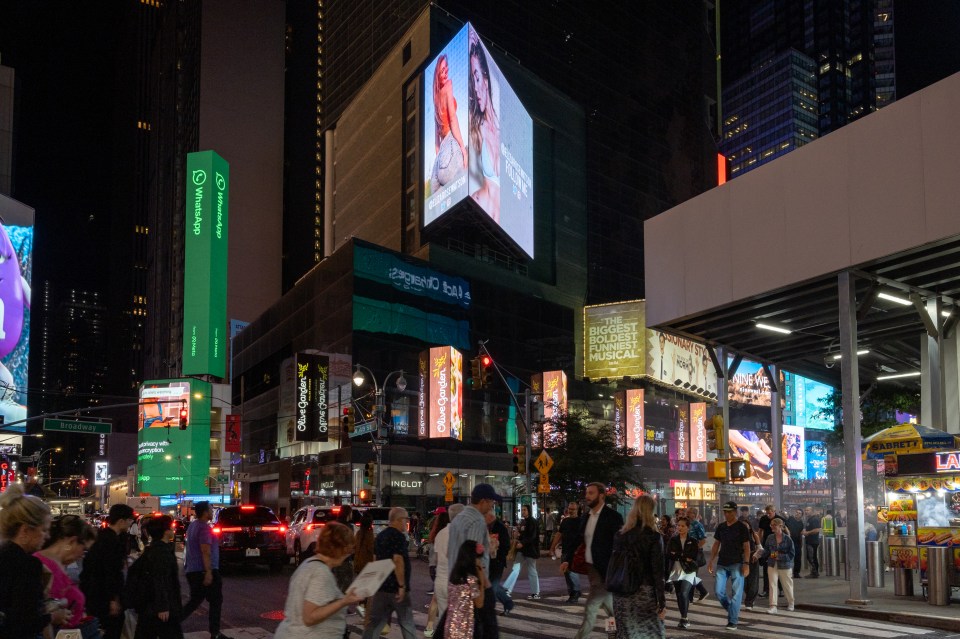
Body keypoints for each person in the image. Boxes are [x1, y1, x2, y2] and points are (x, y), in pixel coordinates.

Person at [0, 483, 67, 639]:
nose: (47, 536)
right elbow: (23, 622)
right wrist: (52, 617)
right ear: (25, 530)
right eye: (44, 529)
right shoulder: (27, 564)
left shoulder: (4, 555)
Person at [275, 522, 362, 639]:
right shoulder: (320, 573)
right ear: (339, 549)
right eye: (349, 551)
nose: (348, 555)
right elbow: (309, 617)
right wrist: (343, 601)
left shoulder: (308, 564)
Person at [560, 482, 624, 639]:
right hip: (592, 569)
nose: (587, 496)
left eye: (591, 493)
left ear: (601, 495)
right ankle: (614, 634)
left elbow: (620, 545)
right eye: (587, 493)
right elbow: (578, 539)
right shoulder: (586, 516)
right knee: (610, 609)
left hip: (606, 571)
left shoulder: (613, 517)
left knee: (591, 607)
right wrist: (567, 559)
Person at [446, 484, 501, 639]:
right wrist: (484, 585)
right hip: (474, 585)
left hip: (455, 582)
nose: (492, 506)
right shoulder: (476, 521)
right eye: (491, 502)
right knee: (484, 628)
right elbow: (474, 556)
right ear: (483, 501)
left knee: (457, 625)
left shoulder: (459, 519)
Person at [611, 495, 666, 639]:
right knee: (650, 633)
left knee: (625, 633)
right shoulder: (654, 537)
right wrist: (661, 601)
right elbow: (657, 571)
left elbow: (614, 563)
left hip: (621, 591)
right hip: (643, 591)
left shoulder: (619, 535)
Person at [361, 507, 416, 639]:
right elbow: (398, 560)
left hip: (382, 587)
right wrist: (402, 586)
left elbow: (375, 560)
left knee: (375, 622)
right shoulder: (398, 536)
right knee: (406, 622)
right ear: (398, 520)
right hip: (396, 588)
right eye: (405, 519)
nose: (406, 522)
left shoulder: (380, 536)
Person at [81, 503, 134, 639]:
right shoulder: (111, 542)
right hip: (104, 598)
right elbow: (111, 572)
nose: (131, 523)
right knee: (111, 631)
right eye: (130, 520)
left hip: (95, 596)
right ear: (121, 521)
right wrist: (113, 599)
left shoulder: (102, 537)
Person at [35, 514, 97, 630]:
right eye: (83, 549)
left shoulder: (60, 565)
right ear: (72, 541)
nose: (82, 555)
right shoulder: (43, 566)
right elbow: (42, 613)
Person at [181, 501, 228, 639]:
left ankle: (172, 623)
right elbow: (205, 550)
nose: (212, 511)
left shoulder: (192, 526)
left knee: (194, 601)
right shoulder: (204, 528)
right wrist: (208, 572)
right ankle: (215, 633)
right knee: (216, 601)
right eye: (210, 509)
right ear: (205, 512)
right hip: (204, 571)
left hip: (192, 571)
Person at [467, 33, 501, 223]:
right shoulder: (476, 129)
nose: (476, 89)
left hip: (501, 220)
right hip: (482, 213)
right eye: (473, 81)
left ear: (486, 80)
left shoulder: (502, 133)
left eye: (478, 78)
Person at [135, 514, 184, 639]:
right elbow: (160, 578)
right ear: (165, 531)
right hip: (161, 607)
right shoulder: (161, 552)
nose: (173, 530)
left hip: (151, 605)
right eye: (170, 528)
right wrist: (163, 606)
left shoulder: (153, 549)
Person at [707, 501, 751, 631]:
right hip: (722, 563)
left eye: (729, 512)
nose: (726, 514)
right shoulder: (721, 527)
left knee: (736, 593)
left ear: (735, 512)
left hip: (737, 563)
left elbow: (747, 546)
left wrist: (746, 563)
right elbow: (716, 544)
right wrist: (711, 560)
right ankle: (732, 611)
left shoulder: (742, 527)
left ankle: (733, 621)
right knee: (718, 591)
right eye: (725, 512)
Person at [429, 54, 467, 194]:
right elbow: (453, 119)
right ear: (437, 75)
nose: (445, 73)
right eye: (442, 71)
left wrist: (439, 161)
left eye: (446, 69)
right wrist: (463, 149)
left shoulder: (435, 99)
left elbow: (436, 141)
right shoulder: (448, 86)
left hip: (439, 165)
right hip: (451, 145)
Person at [443, 540, 488, 639]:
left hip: (450, 624)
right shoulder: (471, 579)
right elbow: (480, 603)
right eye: (478, 558)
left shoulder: (454, 575)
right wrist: (481, 574)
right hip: (463, 627)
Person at [430, 503, 464, 634]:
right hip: (456, 581)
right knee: (459, 620)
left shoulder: (441, 534)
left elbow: (438, 559)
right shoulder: (462, 534)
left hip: (441, 580)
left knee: (444, 618)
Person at [666, 517, 701, 629]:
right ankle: (683, 617)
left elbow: (694, 556)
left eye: (682, 526)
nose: (680, 528)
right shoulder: (673, 540)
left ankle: (684, 618)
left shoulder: (693, 541)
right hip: (676, 570)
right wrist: (683, 556)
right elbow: (668, 554)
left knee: (684, 593)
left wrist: (678, 554)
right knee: (679, 594)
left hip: (689, 570)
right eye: (678, 525)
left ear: (688, 527)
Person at [424, 508, 451, 637]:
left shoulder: (435, 532)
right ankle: (437, 629)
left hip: (434, 567)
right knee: (438, 600)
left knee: (436, 599)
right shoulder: (447, 533)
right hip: (441, 569)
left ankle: (429, 627)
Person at [759, 517, 795, 614]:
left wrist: (781, 557)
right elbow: (766, 550)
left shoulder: (787, 539)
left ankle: (791, 602)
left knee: (787, 584)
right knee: (772, 584)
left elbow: (792, 554)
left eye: (774, 525)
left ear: (780, 526)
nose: (772, 527)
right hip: (772, 563)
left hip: (785, 565)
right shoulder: (770, 537)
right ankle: (773, 606)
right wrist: (759, 553)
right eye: (771, 525)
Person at [550, 502, 582, 603]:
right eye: (569, 509)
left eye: (573, 509)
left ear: (577, 510)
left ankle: (575, 592)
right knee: (566, 572)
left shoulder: (581, 521)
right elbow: (559, 534)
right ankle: (572, 592)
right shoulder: (565, 521)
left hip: (575, 551)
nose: (571, 511)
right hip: (565, 550)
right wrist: (552, 547)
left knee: (572, 572)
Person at [485, 510, 513, 615]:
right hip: (488, 561)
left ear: (491, 516)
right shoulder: (485, 527)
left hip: (497, 561)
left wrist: (498, 550)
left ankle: (503, 604)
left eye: (485, 515)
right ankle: (507, 603)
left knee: (493, 585)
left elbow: (506, 545)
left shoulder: (500, 528)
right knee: (492, 585)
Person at [514, 505, 540, 599]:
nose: (523, 512)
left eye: (525, 510)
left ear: (529, 511)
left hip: (530, 550)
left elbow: (532, 536)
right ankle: (507, 589)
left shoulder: (532, 521)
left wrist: (522, 542)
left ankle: (535, 592)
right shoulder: (523, 522)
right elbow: (524, 535)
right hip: (524, 549)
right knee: (516, 568)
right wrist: (518, 536)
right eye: (522, 510)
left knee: (531, 570)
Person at [353, 513, 375, 623]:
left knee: (362, 588)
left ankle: (361, 607)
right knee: (368, 590)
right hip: (367, 564)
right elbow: (371, 549)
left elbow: (354, 547)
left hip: (358, 563)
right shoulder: (369, 534)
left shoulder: (358, 533)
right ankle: (365, 612)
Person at [685, 508, 708, 601]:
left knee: (691, 574)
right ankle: (702, 591)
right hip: (686, 552)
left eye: (689, 513)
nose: (687, 514)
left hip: (694, 553)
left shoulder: (697, 525)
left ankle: (690, 598)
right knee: (689, 574)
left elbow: (703, 539)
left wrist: (695, 548)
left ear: (694, 514)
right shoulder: (687, 524)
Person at [801, 507, 821, 578]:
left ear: (812, 511)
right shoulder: (809, 519)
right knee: (810, 557)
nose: (806, 512)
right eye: (805, 510)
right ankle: (814, 572)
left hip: (813, 542)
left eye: (808, 510)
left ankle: (814, 573)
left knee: (812, 557)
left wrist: (808, 532)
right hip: (809, 541)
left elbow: (817, 530)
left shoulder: (814, 519)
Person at [785, 509, 805, 579]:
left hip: (797, 543)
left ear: (801, 515)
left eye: (799, 513)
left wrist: (801, 543)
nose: (797, 514)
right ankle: (786, 572)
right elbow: (785, 516)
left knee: (798, 558)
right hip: (788, 542)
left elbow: (800, 533)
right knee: (787, 557)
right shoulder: (790, 519)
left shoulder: (801, 523)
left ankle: (796, 573)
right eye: (796, 512)